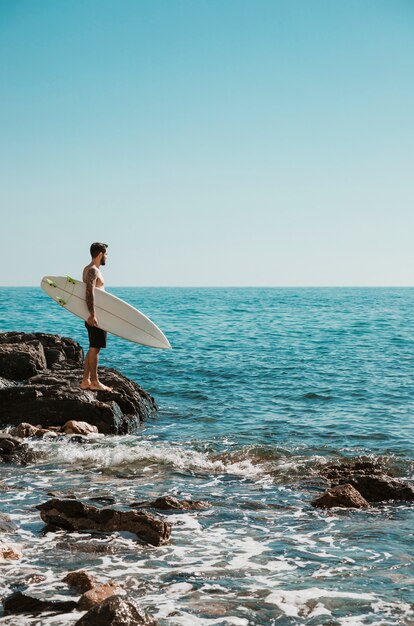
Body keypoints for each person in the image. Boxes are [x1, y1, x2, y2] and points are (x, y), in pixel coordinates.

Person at [80, 242, 113, 391]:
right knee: (95, 349)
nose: (107, 257)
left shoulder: (88, 269)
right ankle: (95, 381)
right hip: (95, 317)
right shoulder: (93, 270)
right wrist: (93, 315)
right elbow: (89, 292)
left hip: (94, 315)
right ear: (100, 254)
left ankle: (85, 381)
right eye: (106, 254)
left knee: (93, 347)